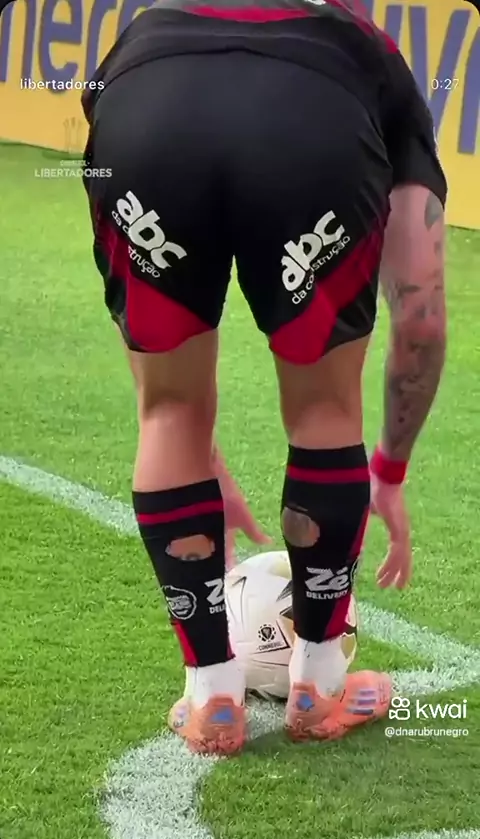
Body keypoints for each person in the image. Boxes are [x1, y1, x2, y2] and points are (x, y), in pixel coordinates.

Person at [81, 0, 447, 755]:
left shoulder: (146, 27)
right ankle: (319, 686)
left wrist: (194, 450)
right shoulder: (370, 51)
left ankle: (212, 698)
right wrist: (389, 472)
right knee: (325, 413)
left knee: (169, 413)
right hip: (314, 130)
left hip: (144, 114)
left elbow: (163, 384)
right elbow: (420, 316)